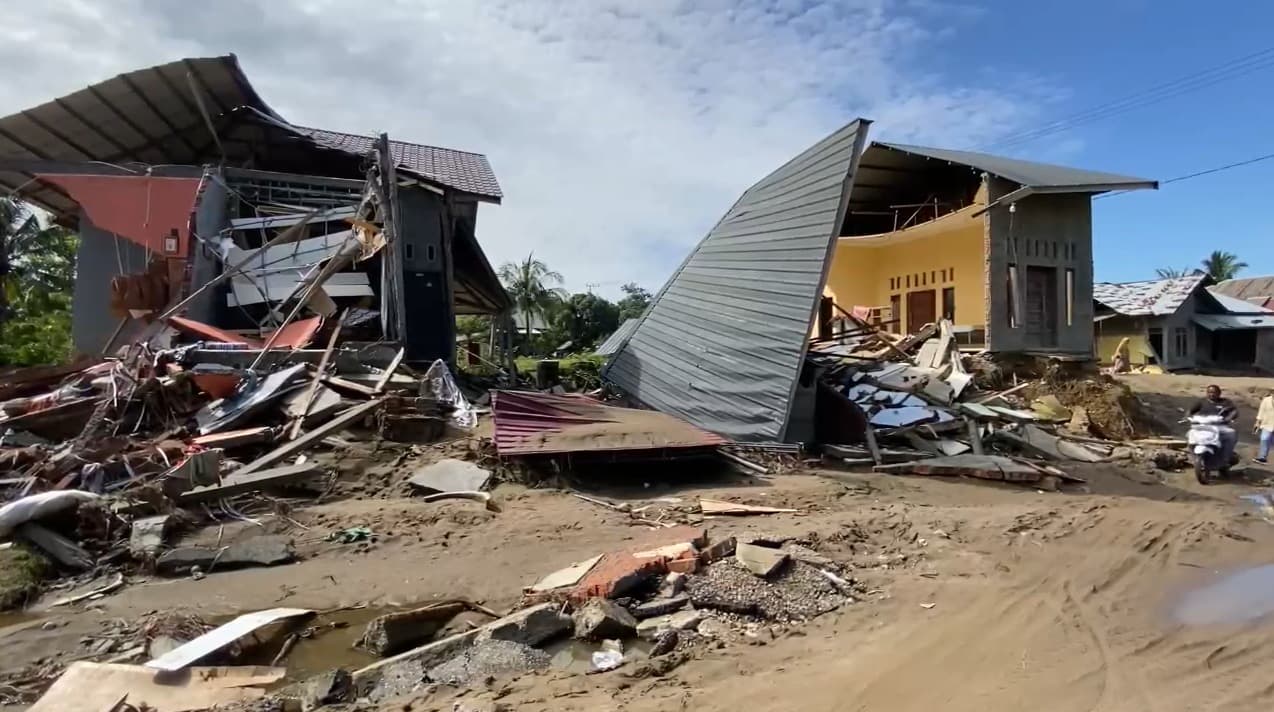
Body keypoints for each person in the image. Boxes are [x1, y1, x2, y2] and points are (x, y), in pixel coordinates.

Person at [1189, 384, 1238, 467]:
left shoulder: (1225, 402)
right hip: (1202, 426)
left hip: (1220, 426)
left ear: (1219, 393)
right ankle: (1193, 457)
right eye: (1209, 392)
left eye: (1214, 392)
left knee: (1231, 434)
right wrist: (1188, 417)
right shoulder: (1201, 401)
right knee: (1190, 435)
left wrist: (1228, 418)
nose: (1211, 394)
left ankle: (1226, 458)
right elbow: (1190, 411)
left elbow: (1234, 411)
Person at [1255, 390, 1274, 464]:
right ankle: (1262, 457)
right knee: (1264, 439)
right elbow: (1261, 411)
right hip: (1267, 423)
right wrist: (1257, 422)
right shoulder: (1266, 400)